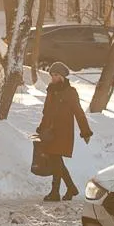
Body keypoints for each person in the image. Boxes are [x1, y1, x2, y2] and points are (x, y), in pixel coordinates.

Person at [36, 62, 93, 201]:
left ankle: (55, 193)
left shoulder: (70, 92)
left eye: (55, 75)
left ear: (62, 76)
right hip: (49, 133)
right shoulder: (51, 90)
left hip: (63, 133)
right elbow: (46, 112)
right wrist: (41, 127)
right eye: (52, 75)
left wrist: (85, 132)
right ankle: (71, 189)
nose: (53, 78)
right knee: (57, 161)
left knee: (56, 160)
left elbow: (79, 113)